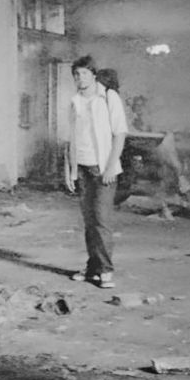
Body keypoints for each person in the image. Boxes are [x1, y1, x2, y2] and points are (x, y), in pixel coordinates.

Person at [64, 54, 128, 289]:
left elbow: (120, 133)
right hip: (81, 168)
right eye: (76, 74)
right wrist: (69, 171)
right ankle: (93, 268)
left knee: (101, 220)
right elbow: (70, 138)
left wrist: (111, 166)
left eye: (84, 73)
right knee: (89, 222)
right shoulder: (75, 101)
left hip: (102, 169)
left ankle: (106, 271)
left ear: (93, 74)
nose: (80, 78)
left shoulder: (109, 97)